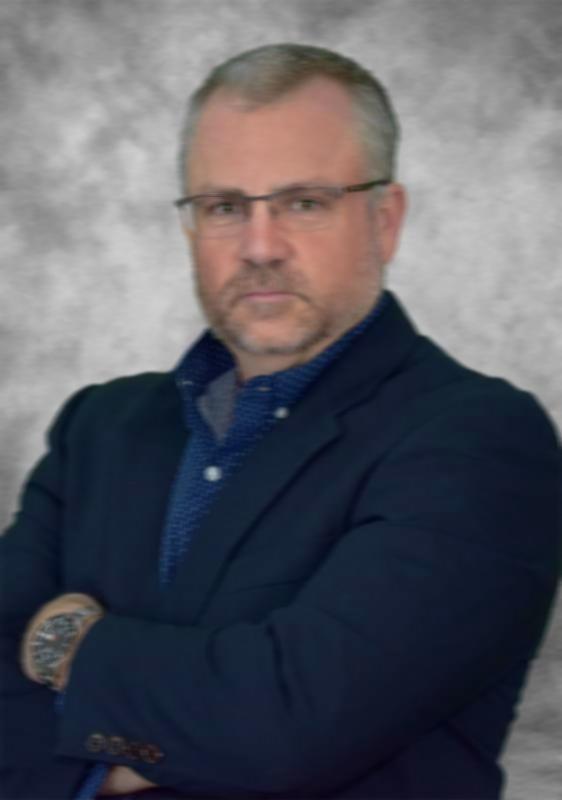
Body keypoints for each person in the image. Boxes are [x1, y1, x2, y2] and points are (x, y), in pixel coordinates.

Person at [0, 42, 560, 800]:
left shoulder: (480, 441)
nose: (260, 247)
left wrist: (64, 650)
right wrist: (158, 738)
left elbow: (285, 729)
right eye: (225, 207)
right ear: (191, 227)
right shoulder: (98, 427)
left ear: (385, 221)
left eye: (304, 203)